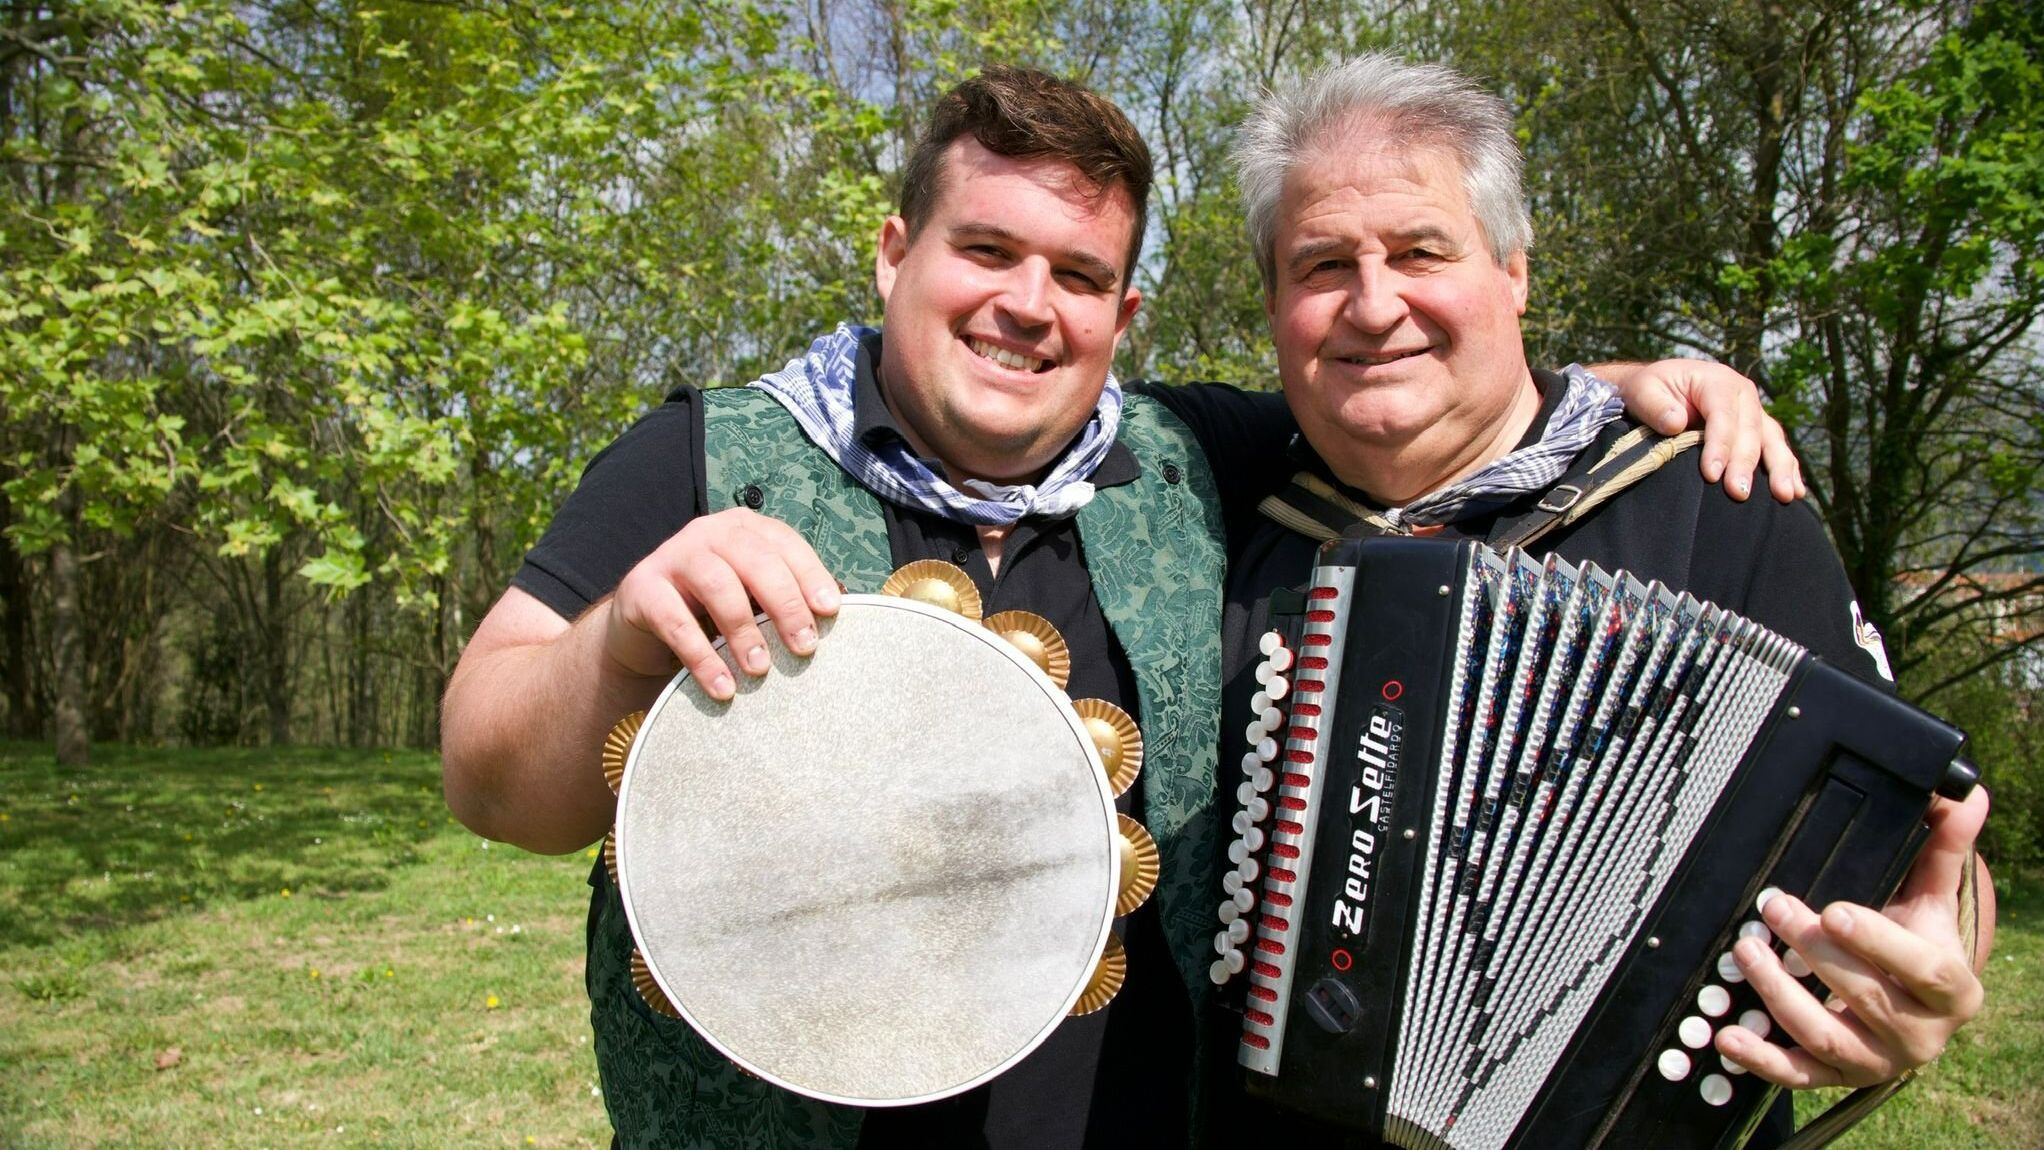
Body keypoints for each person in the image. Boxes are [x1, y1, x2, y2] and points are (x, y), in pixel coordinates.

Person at [440, 66, 1797, 1149]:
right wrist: (620, 631)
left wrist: (1622, 385)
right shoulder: (704, 456)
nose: (1027, 306)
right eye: (986, 249)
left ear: (1126, 309)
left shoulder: (1199, 457)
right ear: (894, 251)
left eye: (1079, 277)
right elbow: (487, 777)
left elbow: (1414, 381)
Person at [1172, 54, 1993, 1146]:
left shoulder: (1719, 499)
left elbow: (1914, 839)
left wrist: (1932, 954)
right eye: (1322, 264)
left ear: (1512, 268)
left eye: (1423, 251)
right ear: (1273, 299)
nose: (1375, 304)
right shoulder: (1201, 500)